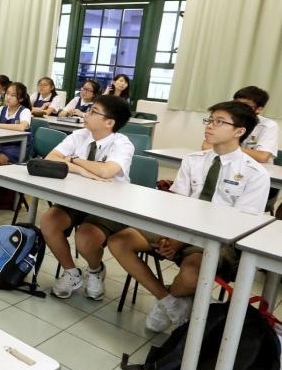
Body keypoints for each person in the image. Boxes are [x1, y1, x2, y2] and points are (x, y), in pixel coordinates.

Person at [108, 102, 270, 331]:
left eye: (219, 122)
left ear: (239, 131)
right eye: (210, 120)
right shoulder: (194, 160)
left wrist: (178, 240)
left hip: (217, 240)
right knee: (119, 240)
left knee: (193, 272)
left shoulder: (255, 174)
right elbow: (174, 203)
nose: (210, 126)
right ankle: (169, 301)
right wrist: (168, 235)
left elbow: (236, 226)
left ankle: (170, 299)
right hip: (180, 229)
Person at [40, 95, 134, 300]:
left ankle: (95, 270)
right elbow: (51, 158)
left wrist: (73, 159)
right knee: (48, 221)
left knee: (85, 238)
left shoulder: (122, 144)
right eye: (89, 109)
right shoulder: (80, 135)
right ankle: (72, 272)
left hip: (109, 204)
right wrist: (83, 171)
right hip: (77, 198)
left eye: (94, 111)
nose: (87, 114)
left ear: (109, 122)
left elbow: (107, 172)